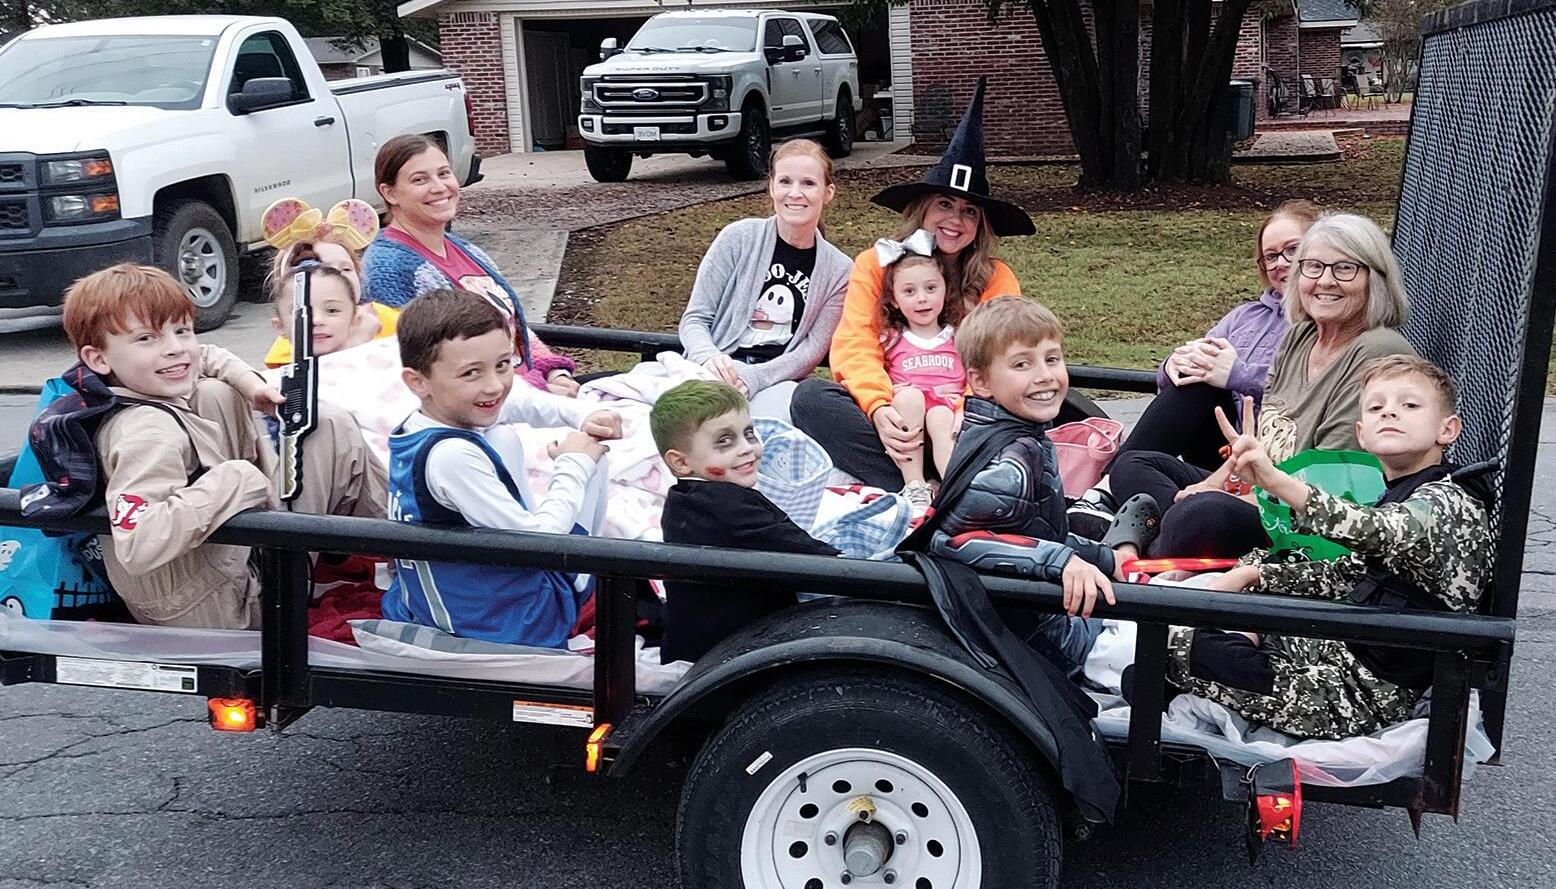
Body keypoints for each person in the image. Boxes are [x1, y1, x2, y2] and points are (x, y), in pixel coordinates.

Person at [1158, 355, 1493, 739]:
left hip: (1369, 695)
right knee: (1236, 591)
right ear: (1361, 434)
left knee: (1177, 650)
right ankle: (1227, 660)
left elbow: (1375, 530)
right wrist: (1256, 574)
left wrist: (1273, 480)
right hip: (1345, 650)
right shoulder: (1404, 491)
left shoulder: (1447, 502)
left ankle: (1203, 682)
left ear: (1447, 430)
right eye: (1376, 407)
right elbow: (1351, 574)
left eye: (1410, 405)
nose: (1390, 413)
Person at [58, 263, 388, 629]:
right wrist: (236, 479)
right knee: (331, 427)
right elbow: (138, 543)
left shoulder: (129, 388)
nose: (174, 349)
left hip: (211, 582)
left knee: (219, 391)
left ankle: (381, 545)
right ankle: (410, 547)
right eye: (146, 339)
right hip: (219, 609)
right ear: (98, 358)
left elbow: (207, 355)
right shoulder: (147, 429)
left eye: (182, 330)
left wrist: (252, 386)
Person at [1109, 212, 1416, 559]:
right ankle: (1158, 537)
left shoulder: (1376, 351)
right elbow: (1264, 444)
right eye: (1313, 267)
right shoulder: (1301, 337)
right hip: (1261, 486)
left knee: (1202, 515)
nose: (1325, 281)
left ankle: (1133, 548)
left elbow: (1326, 483)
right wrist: (1212, 483)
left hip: (1311, 514)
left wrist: (1223, 497)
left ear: (1375, 278)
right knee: (1132, 465)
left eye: (1345, 269)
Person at [791, 76, 1036, 490]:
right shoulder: (877, 263)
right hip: (898, 412)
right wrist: (878, 408)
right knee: (812, 399)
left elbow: (1003, 359)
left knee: (1019, 409)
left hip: (964, 419)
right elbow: (855, 344)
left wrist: (960, 412)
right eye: (944, 204)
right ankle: (922, 485)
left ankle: (946, 479)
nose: (955, 220)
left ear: (981, 225)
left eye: (969, 211)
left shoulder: (996, 278)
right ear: (922, 208)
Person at [909, 297, 1161, 676]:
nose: (1045, 375)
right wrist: (1060, 561)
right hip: (1049, 638)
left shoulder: (1019, 436)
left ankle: (1116, 545)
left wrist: (1105, 561)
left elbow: (1037, 531)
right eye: (1022, 364)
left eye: (1052, 359)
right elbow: (950, 542)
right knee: (1177, 628)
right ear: (980, 381)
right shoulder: (1010, 464)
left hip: (1046, 613)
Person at [381, 289, 623, 648]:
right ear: (418, 381)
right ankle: (575, 577)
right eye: (471, 373)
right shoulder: (451, 456)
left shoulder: (424, 422)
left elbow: (517, 405)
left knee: (502, 434)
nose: (494, 385)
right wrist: (574, 462)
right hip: (509, 626)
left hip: (447, 604)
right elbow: (538, 543)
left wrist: (582, 414)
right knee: (593, 454)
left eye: (503, 364)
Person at [1069, 201, 1320, 534]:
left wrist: (1238, 376)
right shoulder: (1245, 317)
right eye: (1270, 256)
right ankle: (1110, 495)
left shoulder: (1326, 320)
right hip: (1224, 456)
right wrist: (1173, 365)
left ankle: (1149, 519)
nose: (1281, 263)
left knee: (1207, 384)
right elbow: (1181, 381)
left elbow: (1313, 389)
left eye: (1292, 250)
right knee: (1137, 457)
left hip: (1280, 465)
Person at [363, 134, 579, 397]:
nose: (439, 187)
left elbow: (511, 326)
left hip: (530, 389)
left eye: (444, 173)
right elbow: (431, 374)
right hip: (491, 407)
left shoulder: (466, 250)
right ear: (389, 192)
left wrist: (553, 370)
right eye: (420, 180)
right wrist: (539, 391)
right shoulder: (388, 269)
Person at [651, 380, 839, 663]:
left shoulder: (686, 498)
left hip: (710, 648)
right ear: (681, 462)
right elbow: (817, 559)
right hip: (730, 659)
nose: (747, 448)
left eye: (749, 434)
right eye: (724, 441)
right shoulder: (726, 508)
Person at [677, 139, 851, 421]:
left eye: (808, 183)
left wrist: (754, 378)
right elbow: (695, 319)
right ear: (771, 187)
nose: (795, 193)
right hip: (712, 371)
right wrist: (710, 358)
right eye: (785, 181)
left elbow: (811, 349)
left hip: (776, 382)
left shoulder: (840, 271)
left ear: (827, 192)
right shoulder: (738, 238)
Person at [877, 241, 964, 515]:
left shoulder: (959, 337)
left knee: (939, 415)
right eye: (909, 291)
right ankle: (915, 485)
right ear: (894, 299)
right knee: (909, 397)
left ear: (945, 290)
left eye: (931, 288)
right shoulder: (890, 339)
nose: (922, 299)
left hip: (948, 426)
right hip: (908, 430)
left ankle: (956, 490)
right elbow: (873, 375)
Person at [259, 197, 393, 367]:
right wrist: (355, 343)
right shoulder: (294, 337)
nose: (340, 279)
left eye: (346, 269)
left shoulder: (387, 318)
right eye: (325, 270)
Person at [266, 251, 395, 366]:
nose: (316, 320)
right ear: (279, 326)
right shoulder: (274, 379)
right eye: (301, 311)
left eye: (332, 311)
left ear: (355, 319)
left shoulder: (384, 362)